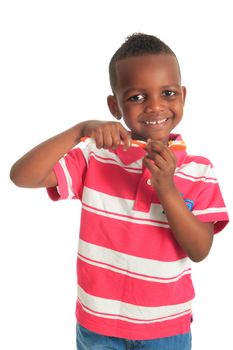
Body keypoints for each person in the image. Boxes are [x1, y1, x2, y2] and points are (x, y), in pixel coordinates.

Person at [10, 33, 229, 350]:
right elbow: (22, 175)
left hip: (166, 329)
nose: (155, 106)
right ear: (114, 105)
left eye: (167, 93)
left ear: (182, 95)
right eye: (137, 97)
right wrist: (80, 131)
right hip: (97, 325)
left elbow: (200, 250)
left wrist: (166, 186)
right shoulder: (95, 156)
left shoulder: (199, 169)